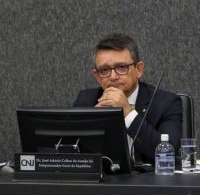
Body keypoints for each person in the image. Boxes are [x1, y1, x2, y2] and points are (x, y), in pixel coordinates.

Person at [73, 33, 182, 164]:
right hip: (104, 182)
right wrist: (94, 120)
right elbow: (73, 154)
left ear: (138, 70)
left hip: (148, 182)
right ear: (97, 76)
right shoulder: (86, 100)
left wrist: (128, 112)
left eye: (121, 67)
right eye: (104, 70)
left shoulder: (166, 103)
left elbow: (167, 154)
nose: (113, 76)